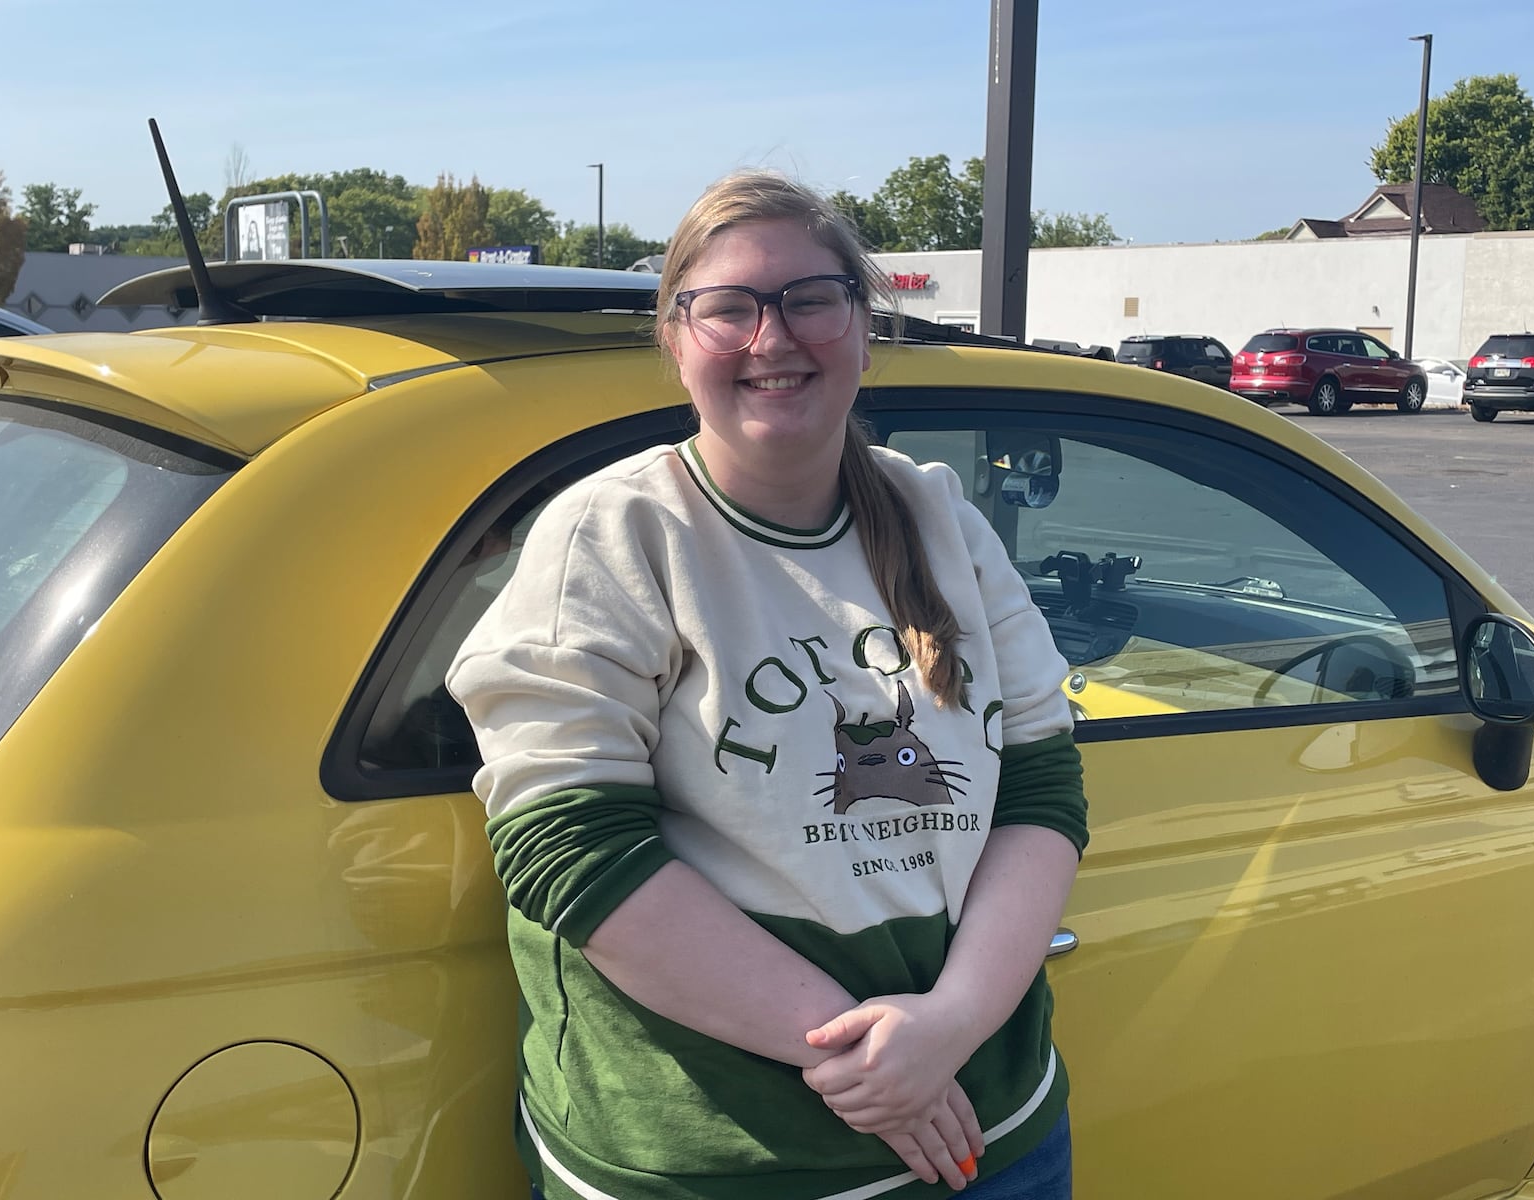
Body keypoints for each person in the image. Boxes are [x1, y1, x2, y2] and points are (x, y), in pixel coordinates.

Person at [447, 169, 1088, 1199]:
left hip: (994, 1136)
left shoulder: (943, 520)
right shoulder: (612, 537)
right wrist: (878, 1068)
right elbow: (571, 849)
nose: (772, 338)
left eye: (809, 299)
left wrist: (952, 1025)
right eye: (729, 308)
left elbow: (1039, 791)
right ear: (674, 335)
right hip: (717, 1162)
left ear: (863, 323)